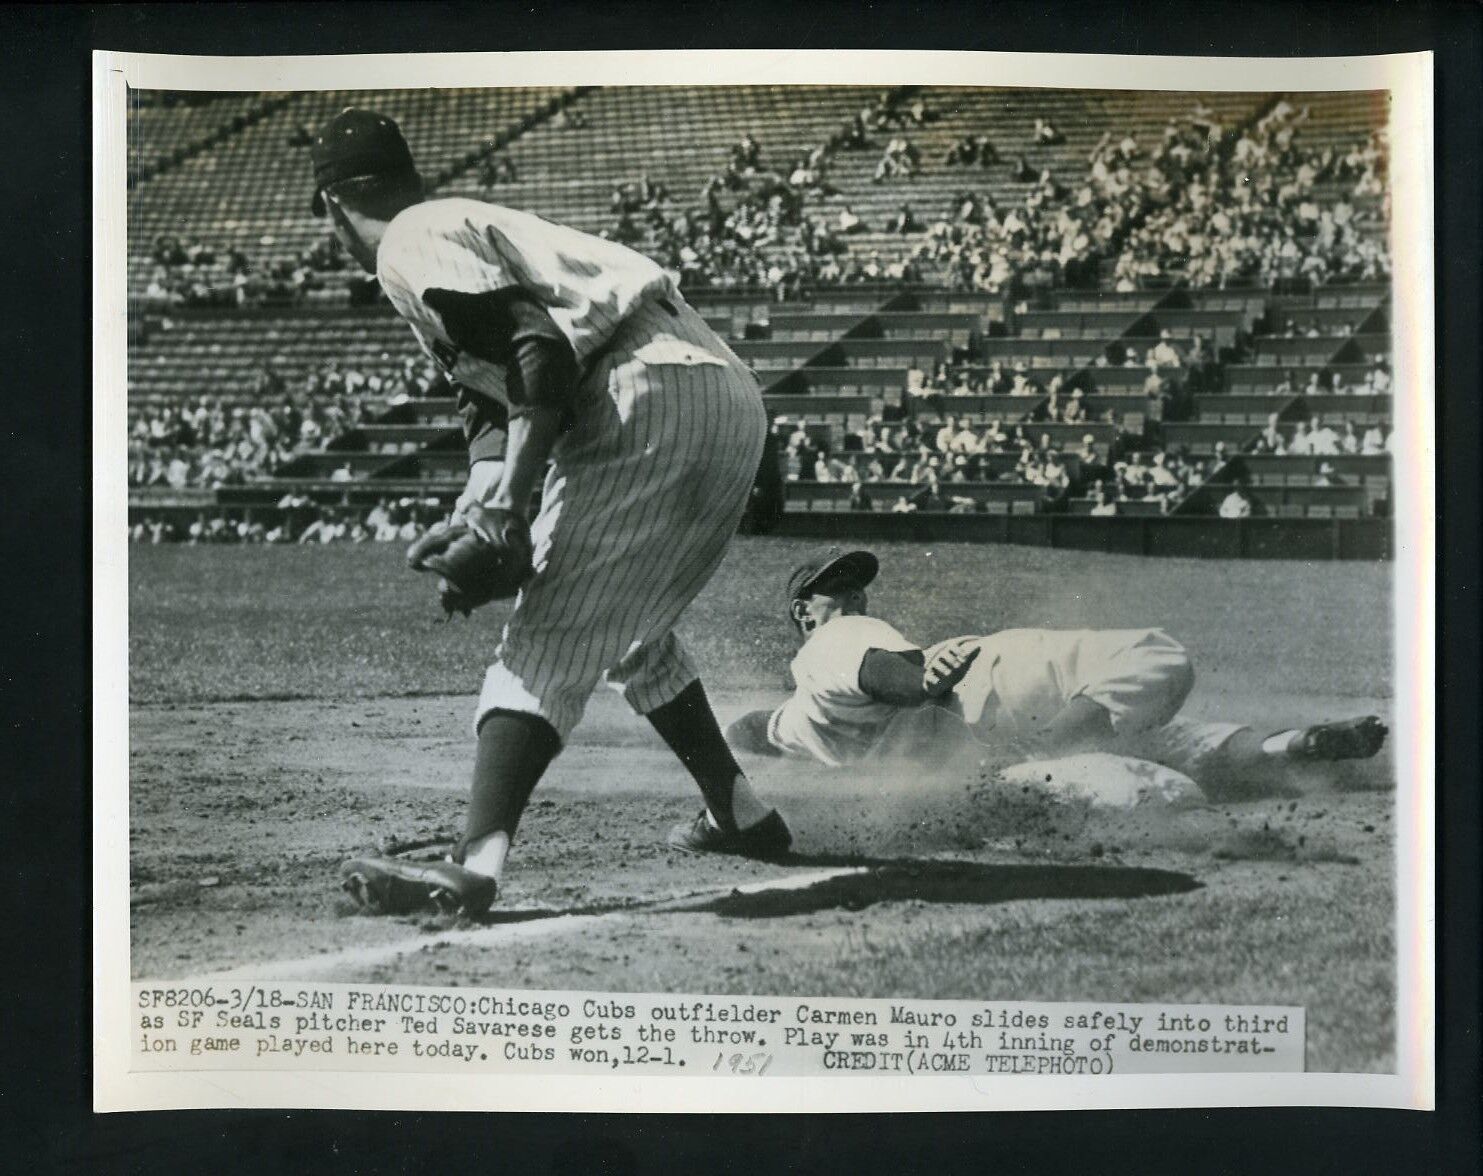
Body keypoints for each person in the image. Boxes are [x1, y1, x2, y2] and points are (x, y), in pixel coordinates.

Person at [309, 109, 790, 917]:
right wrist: (483, 506)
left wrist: (505, 510)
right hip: (714, 391)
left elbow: (537, 350)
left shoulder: (405, 241)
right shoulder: (459, 223)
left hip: (638, 389)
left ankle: (476, 866)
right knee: (626, 629)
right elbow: (493, 400)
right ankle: (740, 812)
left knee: (545, 642)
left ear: (331, 206)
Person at [723, 551, 1388, 790]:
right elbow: (888, 673)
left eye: (854, 585)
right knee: (1157, 657)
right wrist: (924, 682)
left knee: (1164, 749)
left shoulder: (808, 710)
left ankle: (1288, 748)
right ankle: (1056, 746)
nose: (852, 594)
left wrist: (728, 734)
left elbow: (763, 728)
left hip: (987, 750)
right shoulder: (834, 639)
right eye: (830, 587)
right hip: (994, 685)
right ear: (800, 612)